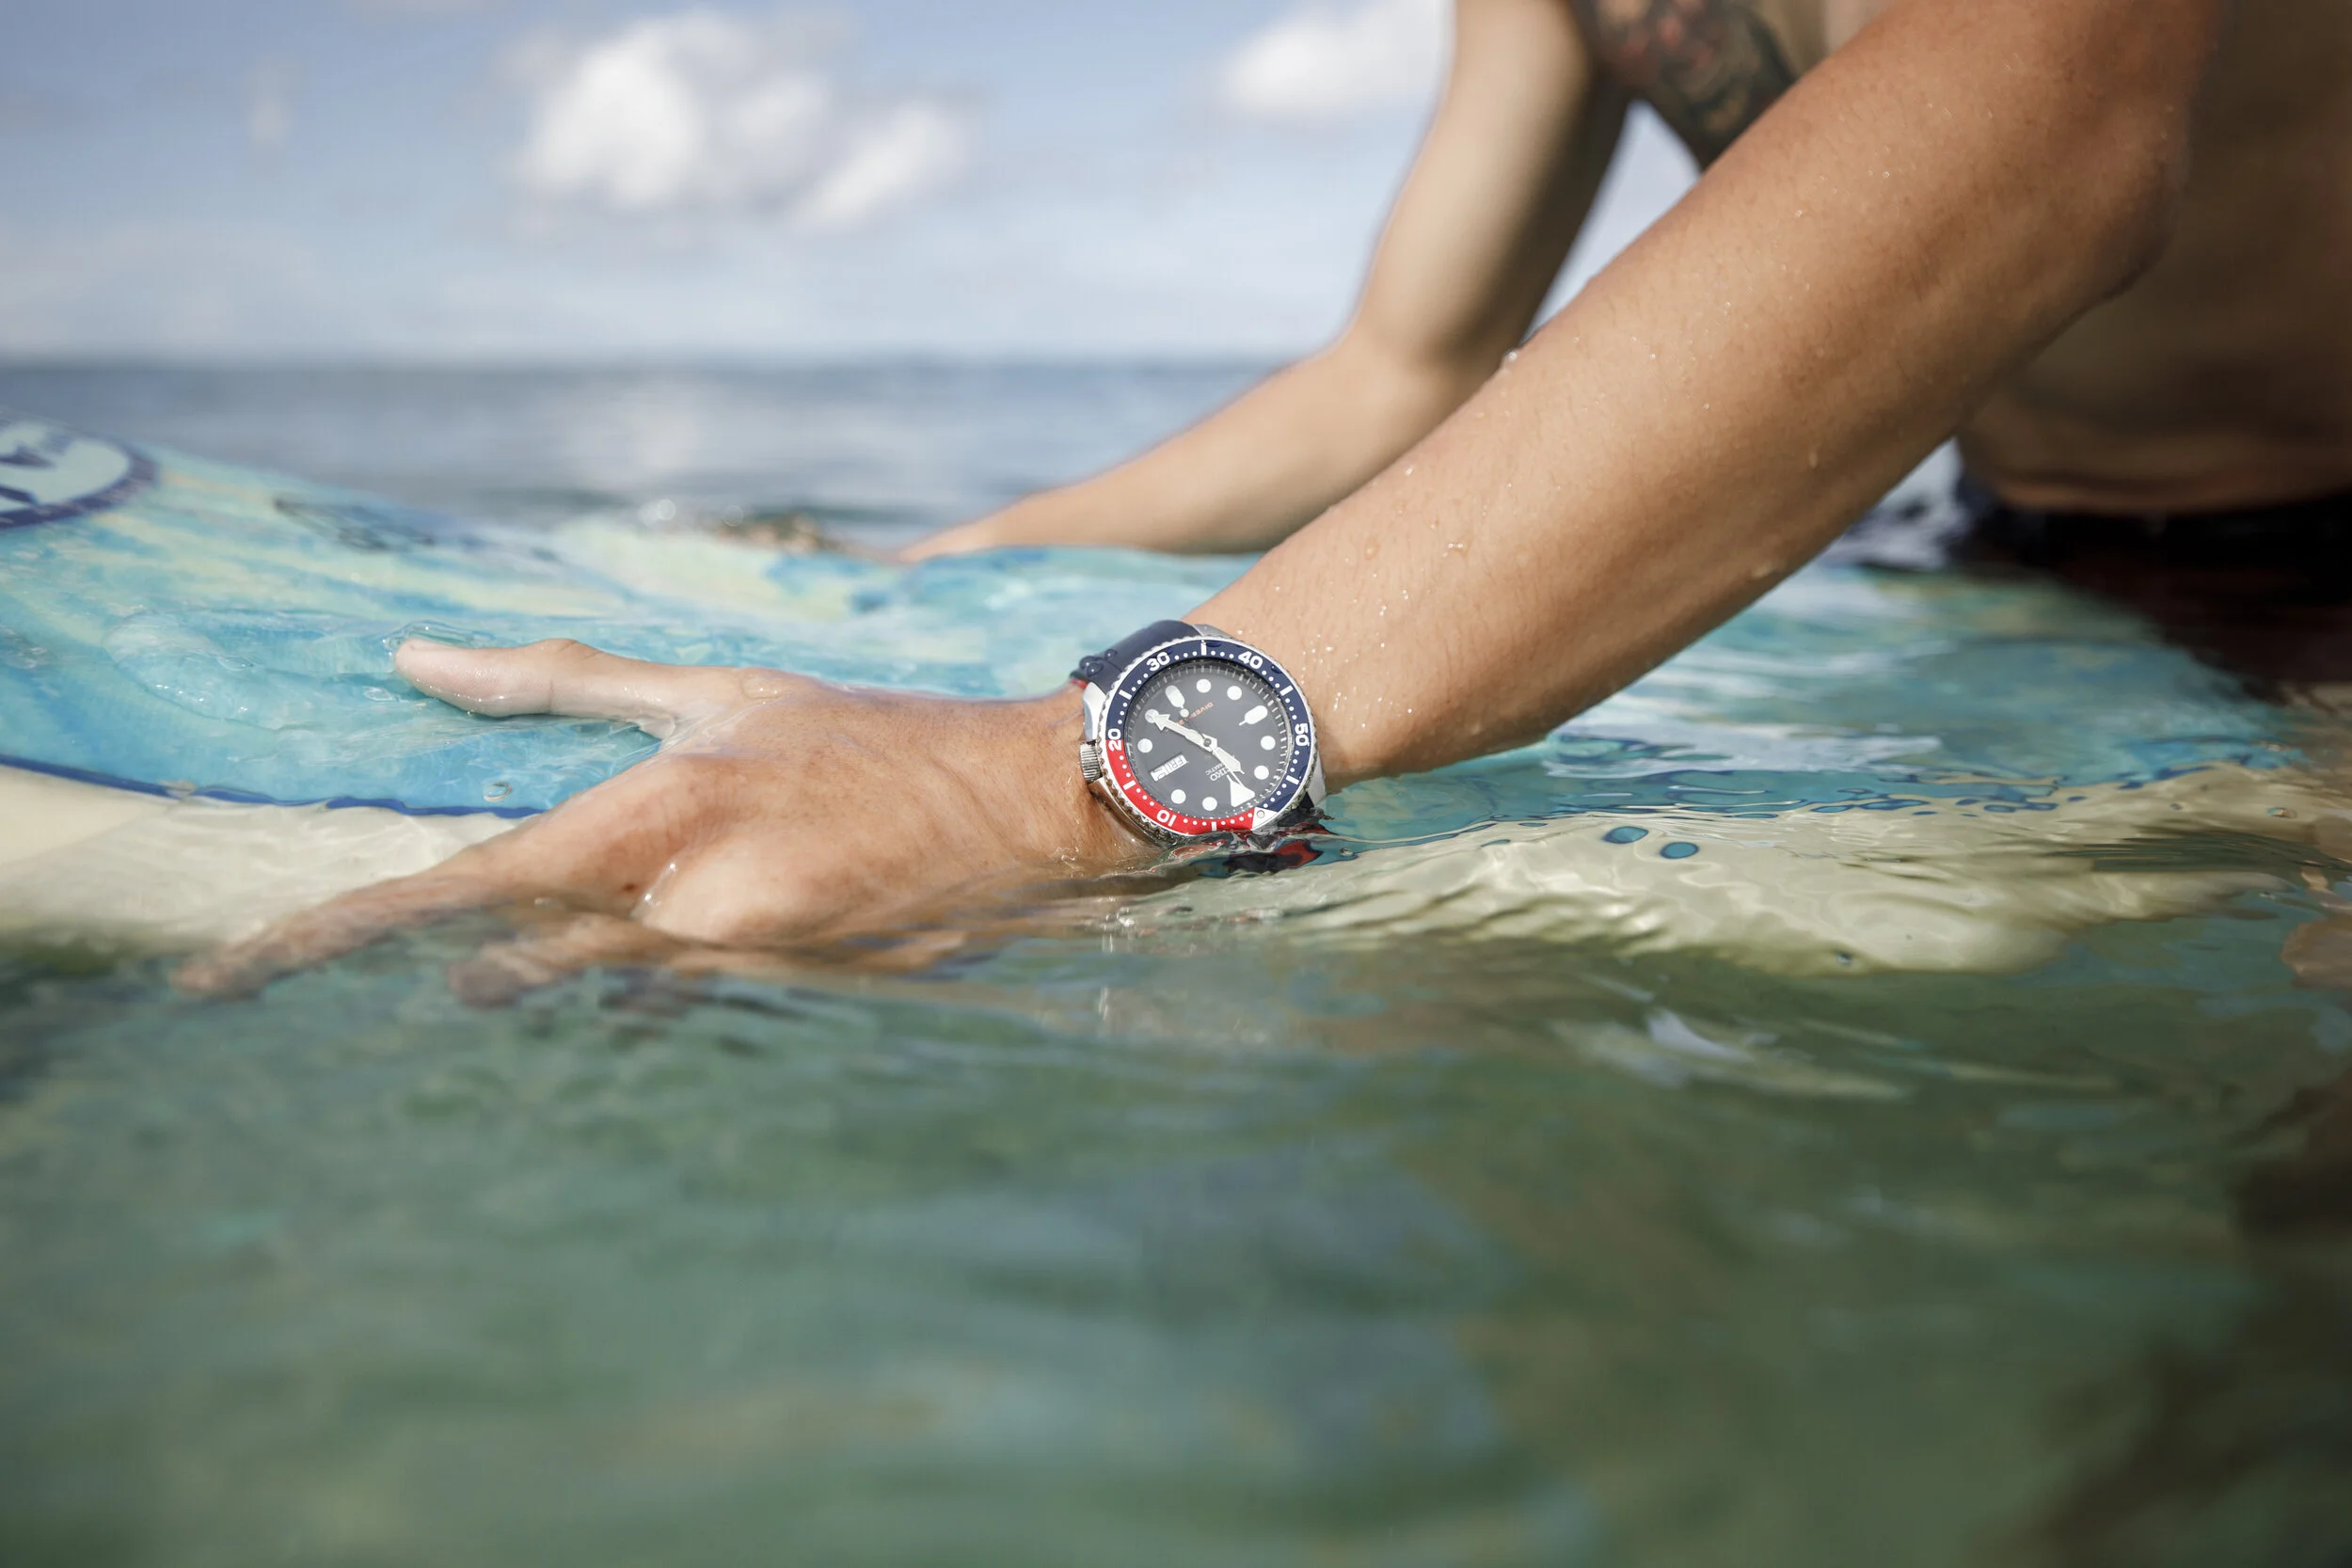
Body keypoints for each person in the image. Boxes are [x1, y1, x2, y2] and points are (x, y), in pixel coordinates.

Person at [185, 0, 2352, 994]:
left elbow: (2046, 101)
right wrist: (947, 561)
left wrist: (1054, 779)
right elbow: (1394, 366)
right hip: (2002, 552)